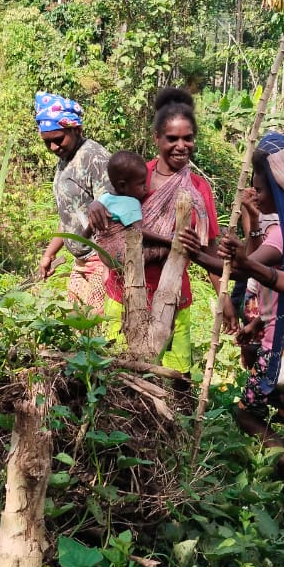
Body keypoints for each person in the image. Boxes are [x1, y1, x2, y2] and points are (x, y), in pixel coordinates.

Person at [181, 133, 284, 486]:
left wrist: (194, 251)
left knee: (247, 414)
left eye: (260, 189)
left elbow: (242, 268)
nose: (256, 195)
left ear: (278, 190)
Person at [89, 89, 220, 373]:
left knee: (174, 379)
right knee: (117, 374)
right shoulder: (137, 176)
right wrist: (94, 205)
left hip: (174, 298)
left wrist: (226, 300)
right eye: (172, 138)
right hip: (124, 293)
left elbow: (209, 249)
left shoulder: (199, 189)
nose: (181, 146)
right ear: (157, 138)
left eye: (188, 138)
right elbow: (108, 203)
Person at [34, 92, 112, 313]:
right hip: (81, 262)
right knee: (76, 322)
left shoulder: (94, 159)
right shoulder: (65, 159)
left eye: (58, 140)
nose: (53, 147)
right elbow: (70, 216)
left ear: (77, 130)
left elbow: (112, 215)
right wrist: (49, 254)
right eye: (47, 142)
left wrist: (108, 268)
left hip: (100, 262)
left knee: (95, 324)